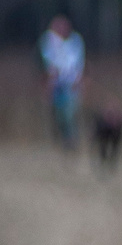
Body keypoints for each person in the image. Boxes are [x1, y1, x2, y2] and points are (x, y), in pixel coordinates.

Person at [39, 15, 85, 151]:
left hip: (71, 85)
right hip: (56, 86)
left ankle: (71, 141)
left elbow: (79, 63)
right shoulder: (49, 41)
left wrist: (79, 79)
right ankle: (62, 140)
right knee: (58, 116)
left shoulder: (75, 41)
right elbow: (47, 63)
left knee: (70, 113)